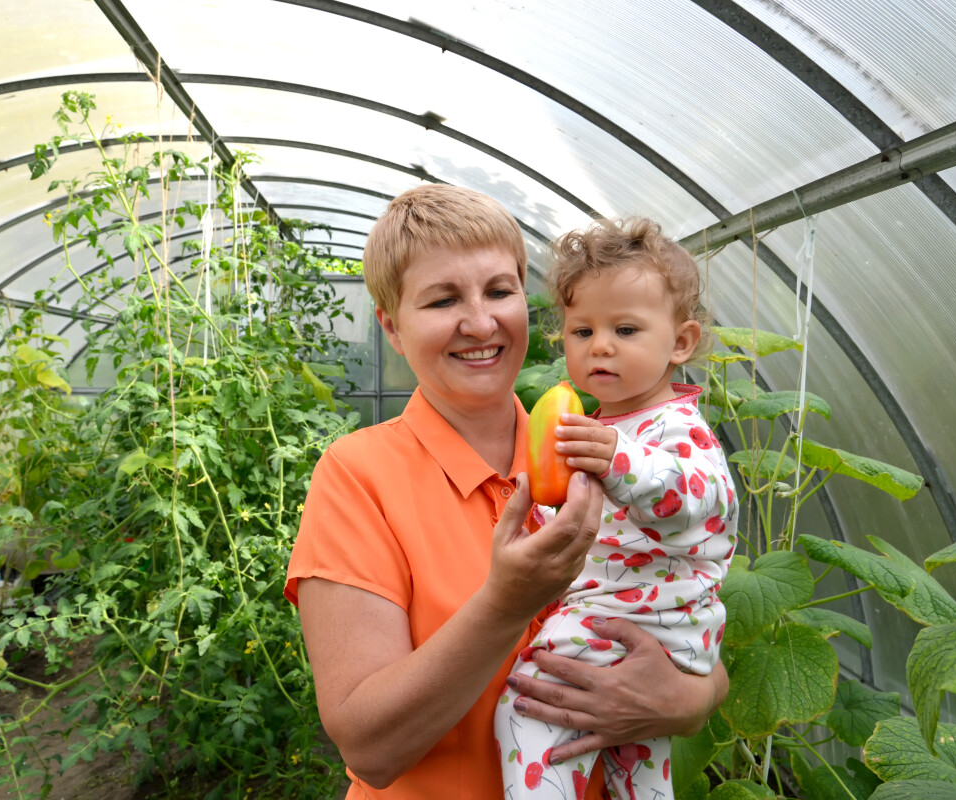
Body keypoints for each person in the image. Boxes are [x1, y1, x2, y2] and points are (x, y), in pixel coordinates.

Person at [285, 186, 729, 800]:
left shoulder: (602, 448)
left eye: (499, 291)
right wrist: (506, 602)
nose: (480, 322)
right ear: (391, 325)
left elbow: (683, 613)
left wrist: (687, 700)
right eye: (442, 300)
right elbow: (370, 746)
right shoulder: (360, 476)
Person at [495, 217, 738, 800]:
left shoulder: (677, 426)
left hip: (638, 621)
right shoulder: (604, 428)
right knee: (638, 769)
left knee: (529, 701)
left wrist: (620, 460)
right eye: (582, 331)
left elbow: (699, 498)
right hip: (649, 630)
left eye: (625, 329)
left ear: (680, 343)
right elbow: (597, 526)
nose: (599, 345)